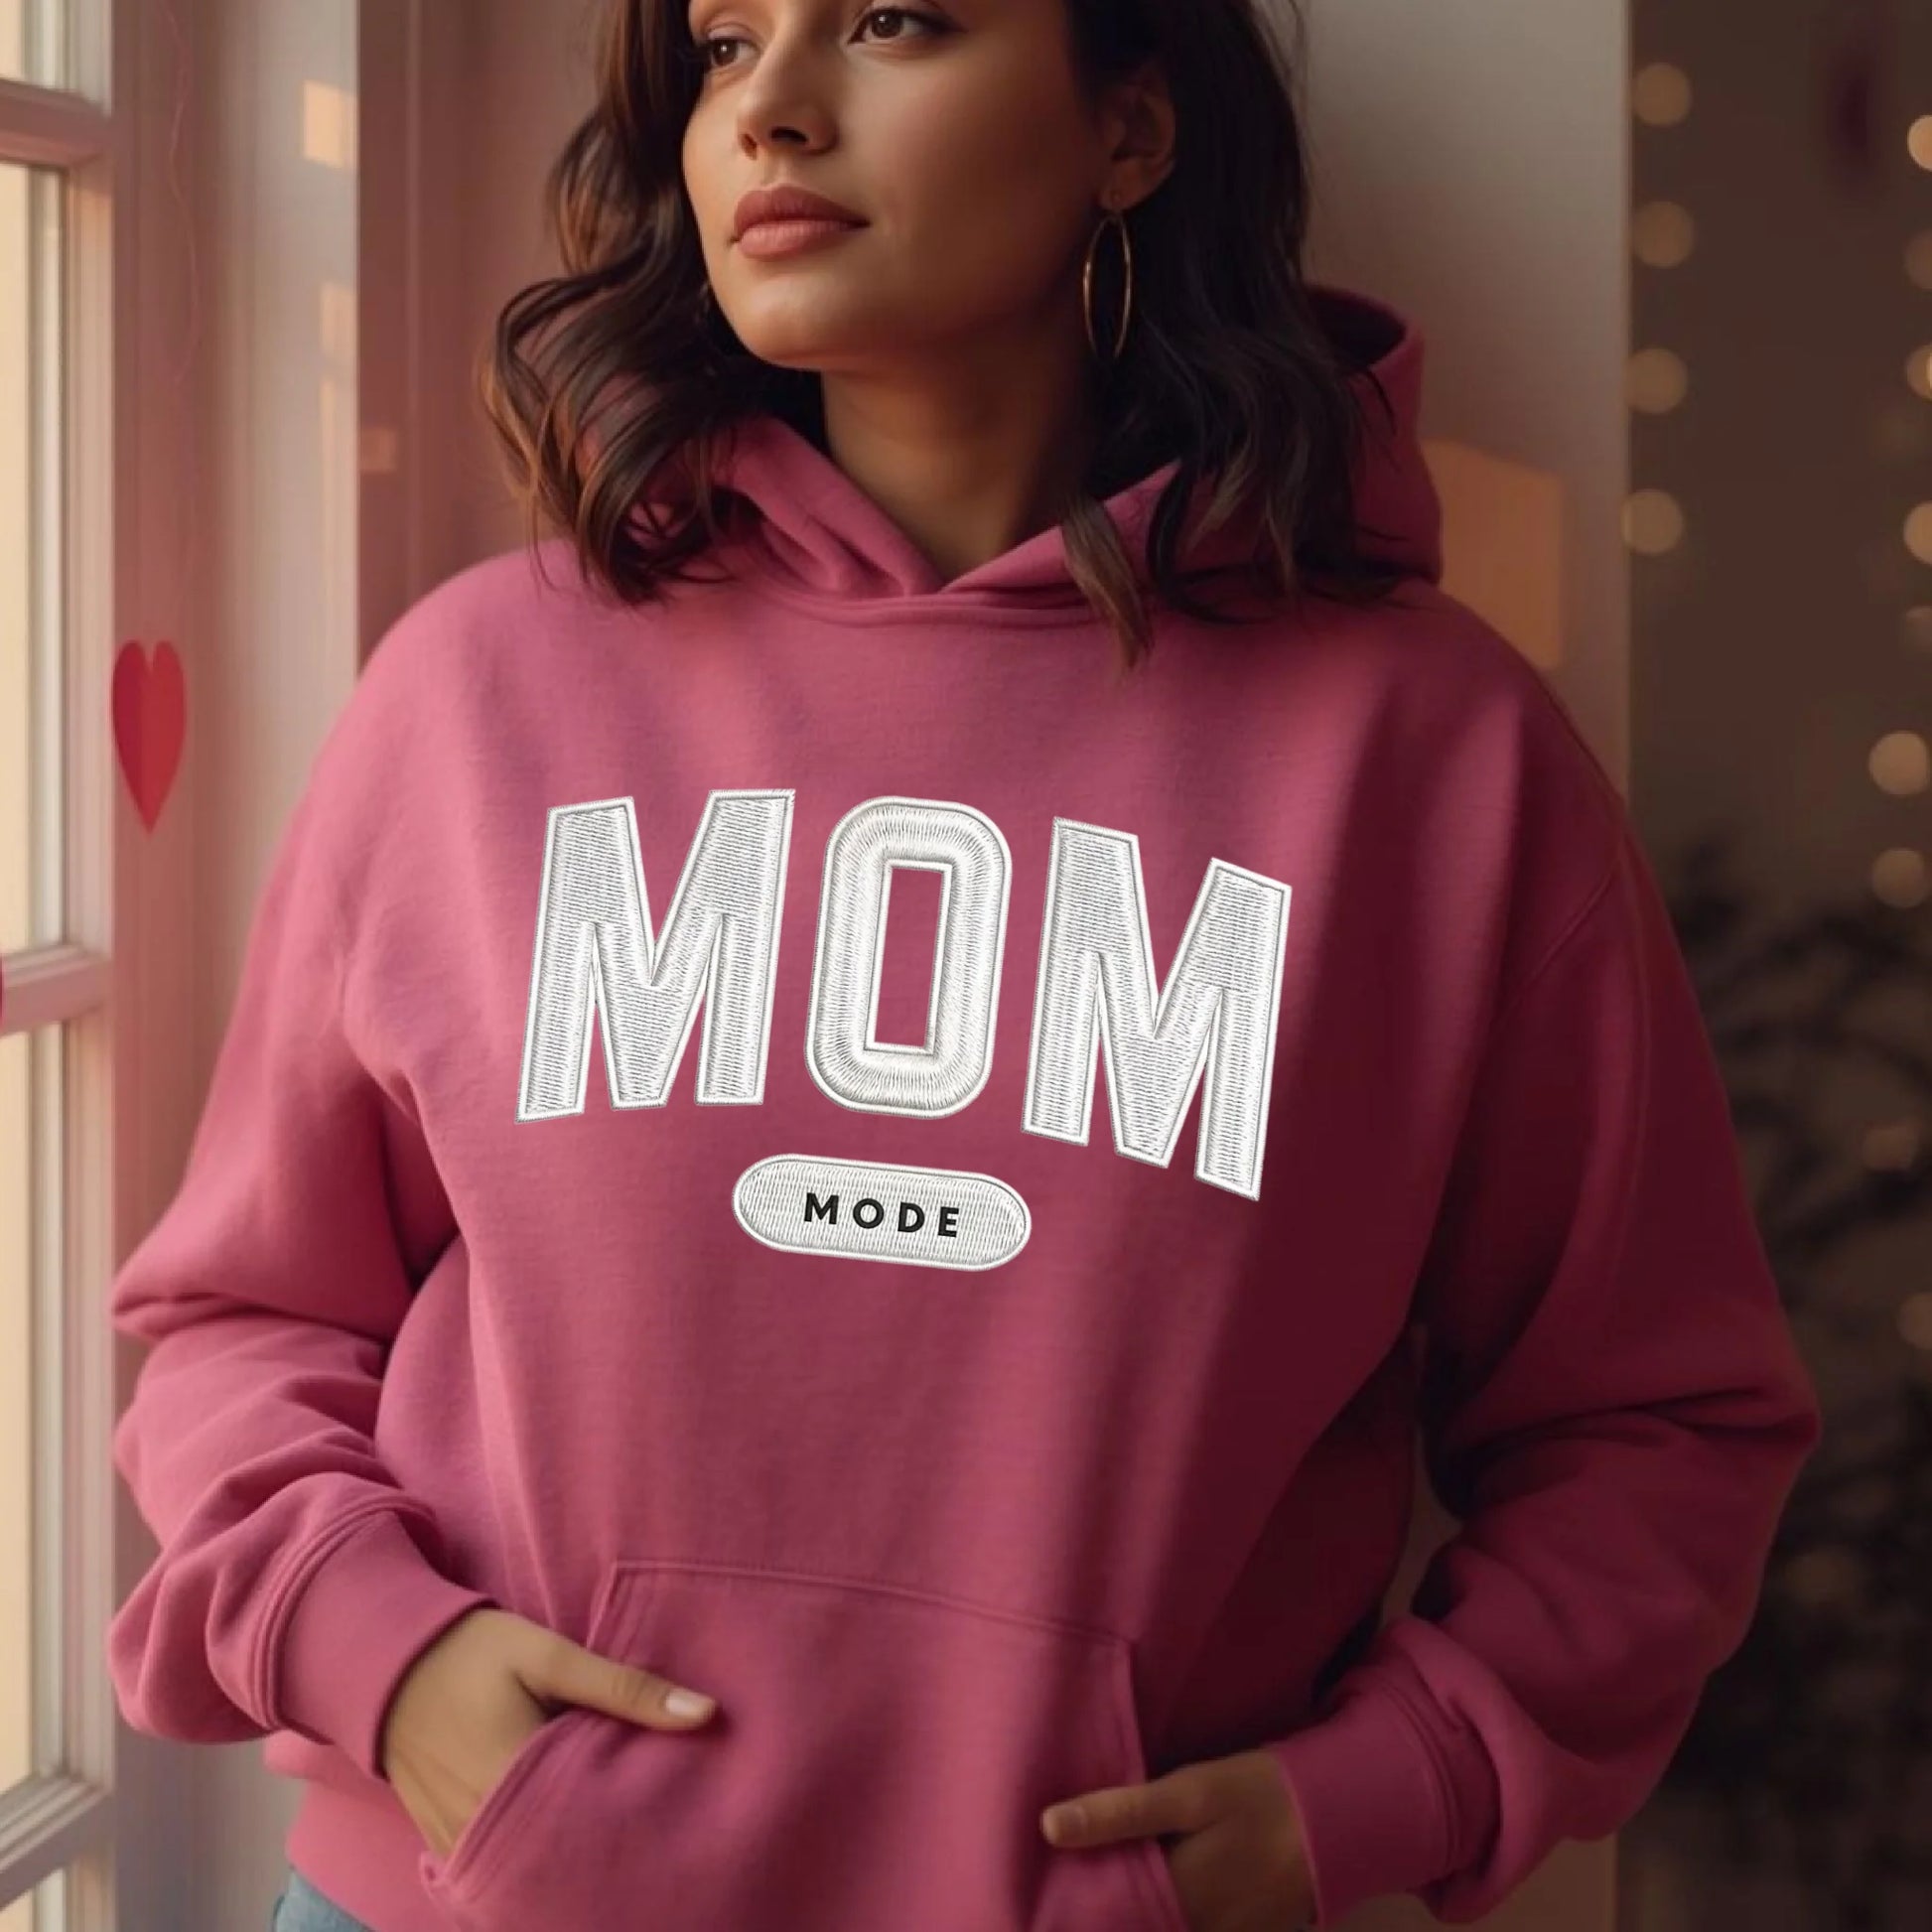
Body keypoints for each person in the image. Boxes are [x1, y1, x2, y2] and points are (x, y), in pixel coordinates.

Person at [106, 2, 1825, 1929]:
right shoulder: (474, 697)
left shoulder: (1431, 765)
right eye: (726, 42)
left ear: (1130, 130)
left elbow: (1652, 1422)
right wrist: (387, 1663)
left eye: (896, 20)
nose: (773, 107)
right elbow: (246, 1319)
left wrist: (1378, 1789)